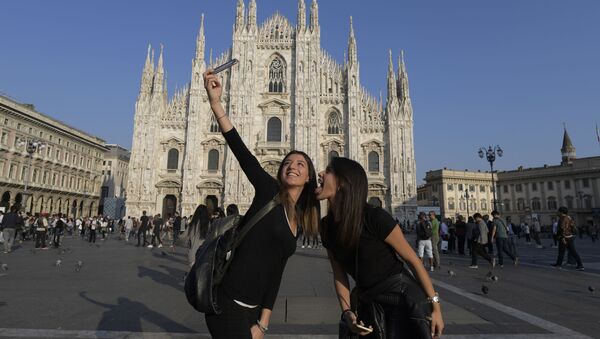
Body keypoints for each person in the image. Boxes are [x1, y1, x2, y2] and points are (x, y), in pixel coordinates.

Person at [203, 69, 320, 339]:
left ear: (309, 175)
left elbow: (276, 270)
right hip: (227, 302)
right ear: (279, 172)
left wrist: (263, 323)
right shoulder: (268, 190)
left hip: (252, 312)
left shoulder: (299, 220)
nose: (292, 167)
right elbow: (241, 151)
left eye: (300, 164)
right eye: (288, 163)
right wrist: (215, 103)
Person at [316, 157, 443, 338]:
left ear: (343, 182)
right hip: (368, 302)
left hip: (403, 300)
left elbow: (413, 261)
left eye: (328, 171)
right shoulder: (326, 226)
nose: (320, 173)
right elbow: (339, 275)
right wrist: (346, 312)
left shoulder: (374, 217)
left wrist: (435, 306)